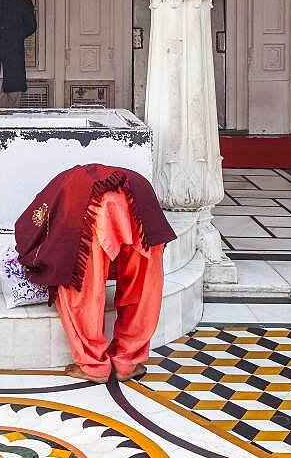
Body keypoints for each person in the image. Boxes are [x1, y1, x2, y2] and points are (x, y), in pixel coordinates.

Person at [15, 164, 176, 384]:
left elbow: (37, 233)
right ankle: (127, 362)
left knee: (81, 285)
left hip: (91, 210)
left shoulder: (61, 194)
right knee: (144, 285)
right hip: (140, 204)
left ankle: (93, 365)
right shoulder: (70, 184)